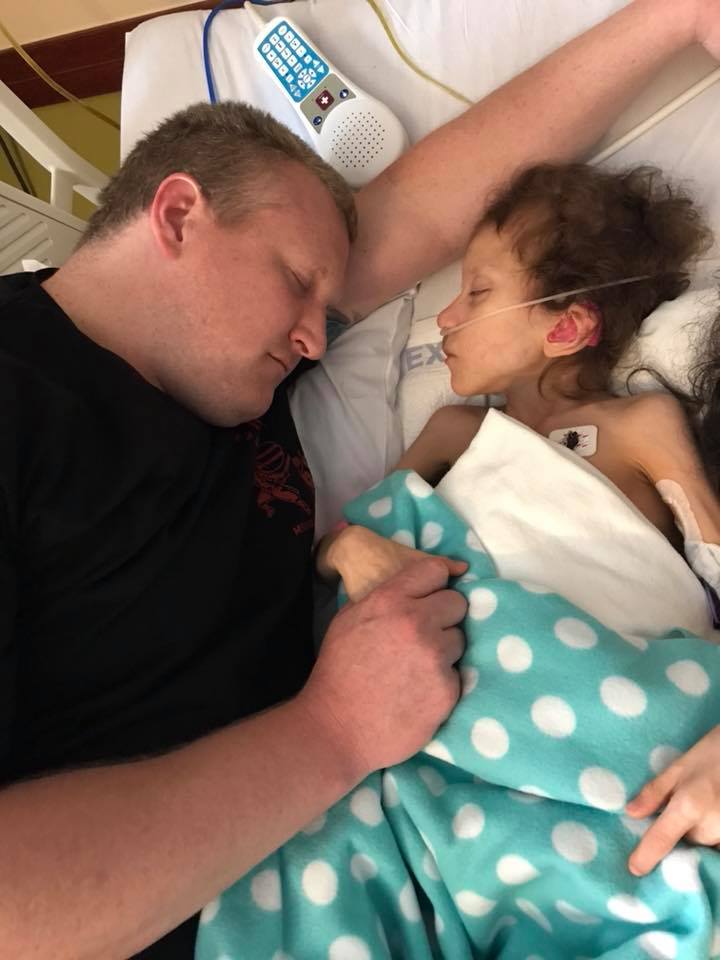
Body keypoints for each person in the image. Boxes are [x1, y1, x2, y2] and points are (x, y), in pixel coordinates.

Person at [1, 2, 719, 958]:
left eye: (327, 303)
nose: (318, 338)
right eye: (298, 282)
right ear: (177, 216)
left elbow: (427, 208)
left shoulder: (230, 361)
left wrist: (676, 17)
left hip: (412, 821)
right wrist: (332, 732)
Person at [317, 160, 720, 887]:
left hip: (618, 710)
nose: (446, 317)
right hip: (456, 712)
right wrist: (350, 550)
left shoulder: (640, 425)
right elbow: (353, 542)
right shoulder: (452, 434)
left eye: (477, 293)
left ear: (566, 325)